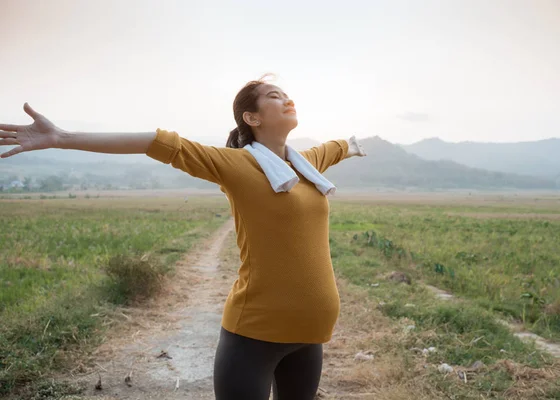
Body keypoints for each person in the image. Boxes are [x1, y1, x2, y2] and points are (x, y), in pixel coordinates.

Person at [0, 76, 366, 400]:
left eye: (286, 93)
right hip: (255, 334)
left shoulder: (306, 165)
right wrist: (61, 137)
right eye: (274, 95)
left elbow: (337, 147)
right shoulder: (235, 165)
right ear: (251, 119)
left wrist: (352, 145)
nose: (287, 99)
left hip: (311, 332)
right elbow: (155, 142)